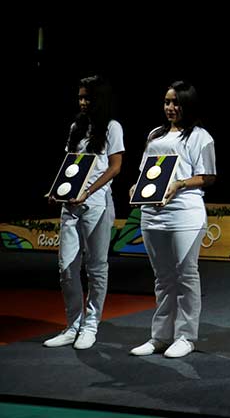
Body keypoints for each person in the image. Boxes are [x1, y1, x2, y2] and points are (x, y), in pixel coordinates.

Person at [129, 81, 216, 359]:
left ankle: (186, 336)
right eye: (167, 102)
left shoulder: (200, 137)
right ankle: (160, 336)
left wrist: (179, 184)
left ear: (187, 104)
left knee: (186, 275)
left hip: (185, 213)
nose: (170, 107)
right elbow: (147, 173)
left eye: (176, 102)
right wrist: (136, 187)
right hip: (152, 214)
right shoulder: (154, 135)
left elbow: (208, 176)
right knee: (163, 278)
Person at [43, 75, 125, 350]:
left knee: (96, 267)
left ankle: (90, 326)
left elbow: (115, 167)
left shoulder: (112, 127)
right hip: (71, 206)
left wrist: (88, 191)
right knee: (67, 267)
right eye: (80, 97)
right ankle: (72, 325)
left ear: (99, 99)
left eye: (87, 97)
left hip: (97, 203)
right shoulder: (76, 127)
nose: (82, 102)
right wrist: (57, 190)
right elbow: (71, 165)